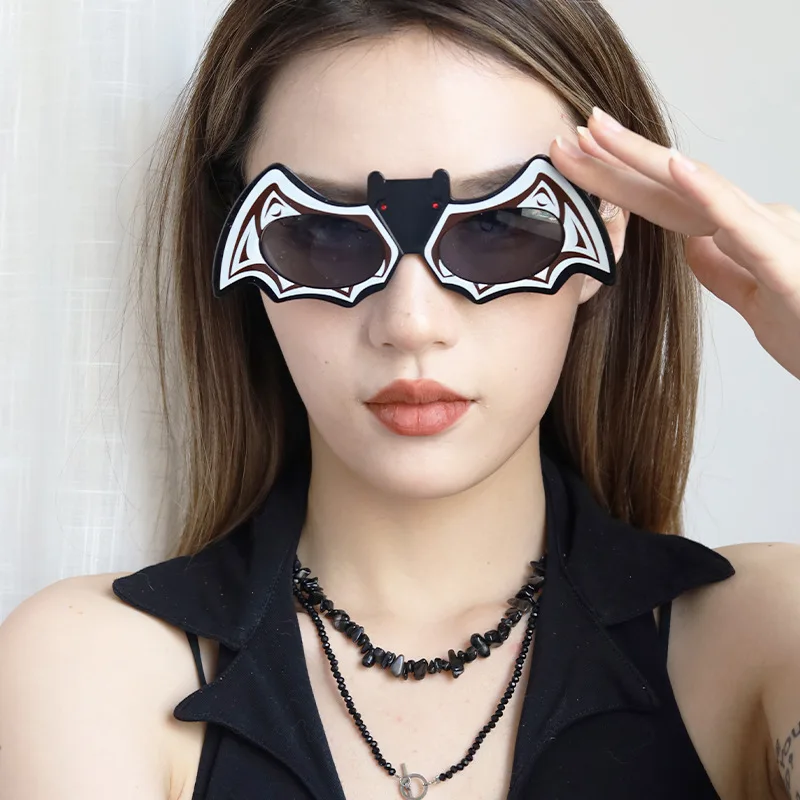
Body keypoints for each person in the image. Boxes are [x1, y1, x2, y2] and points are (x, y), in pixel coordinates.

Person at [1, 1, 799, 798]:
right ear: (240, 241)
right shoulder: (95, 672)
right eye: (326, 233)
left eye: (499, 226)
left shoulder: (757, 640)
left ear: (607, 229)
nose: (411, 323)